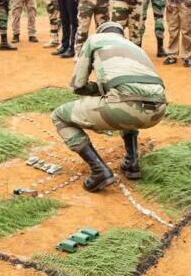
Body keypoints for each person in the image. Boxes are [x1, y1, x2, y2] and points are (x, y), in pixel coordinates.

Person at [51, 22, 167, 192]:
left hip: (124, 107)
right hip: (158, 110)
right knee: (126, 102)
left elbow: (78, 85)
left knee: (59, 116)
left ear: (101, 32)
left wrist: (99, 89)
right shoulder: (135, 47)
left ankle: (99, 170)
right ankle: (131, 162)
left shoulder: (95, 40)